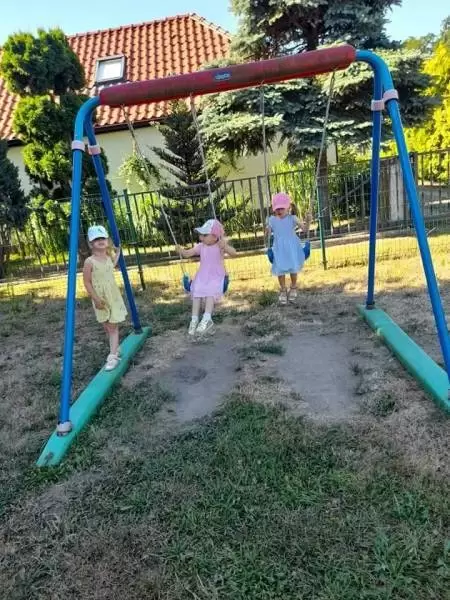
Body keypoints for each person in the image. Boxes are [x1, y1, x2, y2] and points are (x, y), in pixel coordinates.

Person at [177, 218, 237, 336]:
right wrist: (181, 251)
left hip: (216, 276)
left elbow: (234, 253)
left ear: (215, 236)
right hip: (202, 276)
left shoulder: (220, 245)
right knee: (197, 293)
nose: (201, 237)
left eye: (205, 235)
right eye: (201, 235)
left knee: (210, 292)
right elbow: (188, 254)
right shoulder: (201, 246)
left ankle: (207, 318)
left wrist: (226, 247)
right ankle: (194, 320)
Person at [82, 225, 127, 371]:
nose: (100, 241)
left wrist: (118, 253)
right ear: (91, 244)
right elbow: (87, 282)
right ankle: (115, 348)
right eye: (96, 239)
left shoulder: (108, 258)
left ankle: (113, 357)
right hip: (100, 298)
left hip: (112, 296)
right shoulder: (89, 262)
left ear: (107, 240)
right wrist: (95, 299)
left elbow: (112, 265)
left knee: (113, 327)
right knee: (107, 326)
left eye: (103, 238)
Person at [266, 192, 311, 305]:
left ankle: (294, 287)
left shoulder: (293, 218)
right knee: (280, 269)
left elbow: (305, 229)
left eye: (282, 208)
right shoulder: (272, 220)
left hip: (292, 248)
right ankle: (282, 290)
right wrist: (267, 230)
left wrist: (308, 221)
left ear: (288, 207)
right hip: (279, 249)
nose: (279, 211)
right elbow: (268, 233)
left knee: (293, 268)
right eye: (277, 208)